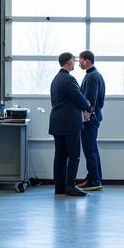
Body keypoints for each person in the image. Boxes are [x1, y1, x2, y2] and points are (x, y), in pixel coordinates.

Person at [49, 52, 91, 197]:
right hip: (69, 124)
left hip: (57, 123)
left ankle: (59, 187)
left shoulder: (56, 79)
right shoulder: (68, 80)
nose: (75, 63)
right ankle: (71, 186)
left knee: (60, 156)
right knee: (74, 156)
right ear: (68, 62)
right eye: (74, 61)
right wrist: (89, 107)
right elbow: (79, 99)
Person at [77, 50, 105, 191]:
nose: (79, 63)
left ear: (87, 60)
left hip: (90, 119)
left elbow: (90, 99)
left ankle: (94, 180)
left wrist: (87, 114)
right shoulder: (94, 75)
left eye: (80, 60)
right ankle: (94, 177)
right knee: (92, 149)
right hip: (93, 118)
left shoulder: (92, 77)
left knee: (89, 150)